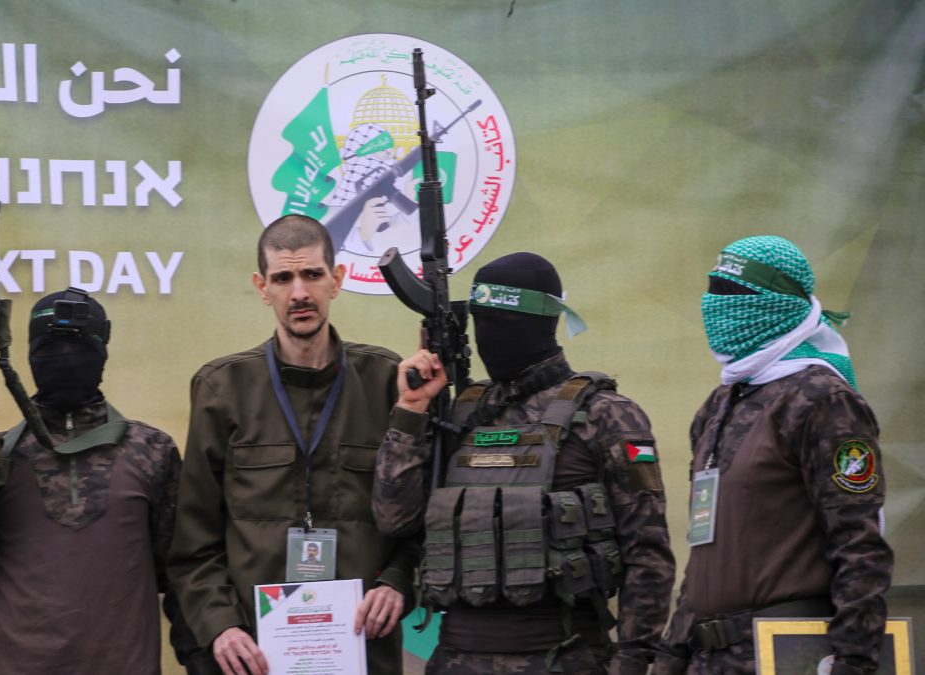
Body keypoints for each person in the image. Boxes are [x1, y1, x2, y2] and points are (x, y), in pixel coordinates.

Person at [373, 252, 676, 674]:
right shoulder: (460, 411)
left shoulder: (607, 415)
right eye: (482, 321)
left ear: (544, 322)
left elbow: (648, 554)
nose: (490, 335)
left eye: (505, 321)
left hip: (562, 655)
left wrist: (631, 662)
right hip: (456, 659)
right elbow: (395, 519)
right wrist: (411, 411)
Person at [169, 215, 417, 675]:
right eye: (283, 278)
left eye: (312, 275)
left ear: (336, 280)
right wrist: (221, 626)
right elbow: (193, 545)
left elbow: (420, 520)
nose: (299, 293)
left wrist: (398, 582)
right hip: (255, 656)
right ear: (263, 288)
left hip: (364, 653)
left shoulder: (387, 381)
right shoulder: (222, 389)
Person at [0, 287, 199, 674]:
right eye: (51, 347)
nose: (65, 359)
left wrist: (201, 658)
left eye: (78, 345)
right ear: (29, 354)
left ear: (103, 352)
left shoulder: (152, 451)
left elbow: (181, 578)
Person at [655, 236, 893, 675]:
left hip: (786, 656)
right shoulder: (720, 405)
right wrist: (673, 652)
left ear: (779, 304)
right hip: (709, 659)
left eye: (734, 294)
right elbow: (708, 545)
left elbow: (858, 542)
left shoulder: (820, 399)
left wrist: (854, 660)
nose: (715, 305)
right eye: (713, 291)